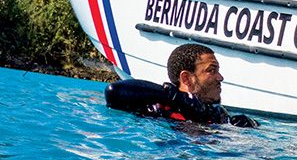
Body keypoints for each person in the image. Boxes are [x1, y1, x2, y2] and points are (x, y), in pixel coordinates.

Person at [104, 43, 257, 127]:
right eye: (212, 71)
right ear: (186, 78)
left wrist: (251, 126)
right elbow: (113, 91)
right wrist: (180, 99)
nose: (220, 77)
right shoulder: (159, 109)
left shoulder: (218, 115)